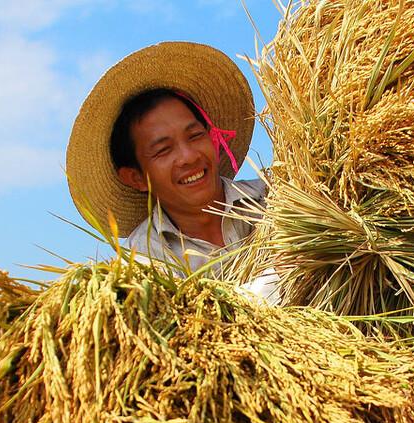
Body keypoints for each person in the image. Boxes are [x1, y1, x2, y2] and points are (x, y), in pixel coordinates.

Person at [66, 41, 276, 301]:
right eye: (163, 150)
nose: (188, 157)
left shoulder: (273, 198)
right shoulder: (146, 259)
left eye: (195, 136)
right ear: (136, 177)